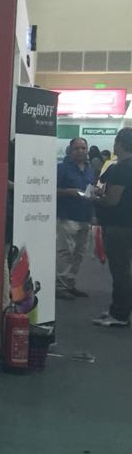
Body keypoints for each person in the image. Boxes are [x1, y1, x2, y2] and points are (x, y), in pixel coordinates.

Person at [93, 127, 132, 327]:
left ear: (120, 144)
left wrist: (95, 197)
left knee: (120, 269)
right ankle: (121, 310)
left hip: (119, 225)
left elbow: (112, 201)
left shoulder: (121, 169)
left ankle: (119, 313)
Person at [56, 137, 97, 299]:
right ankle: (60, 287)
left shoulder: (90, 170)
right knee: (65, 253)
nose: (80, 151)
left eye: (83, 148)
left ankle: (70, 284)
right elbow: (52, 191)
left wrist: (93, 214)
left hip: (85, 216)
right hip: (67, 216)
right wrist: (69, 192)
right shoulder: (62, 168)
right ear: (70, 150)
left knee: (79, 254)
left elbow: (90, 191)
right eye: (77, 148)